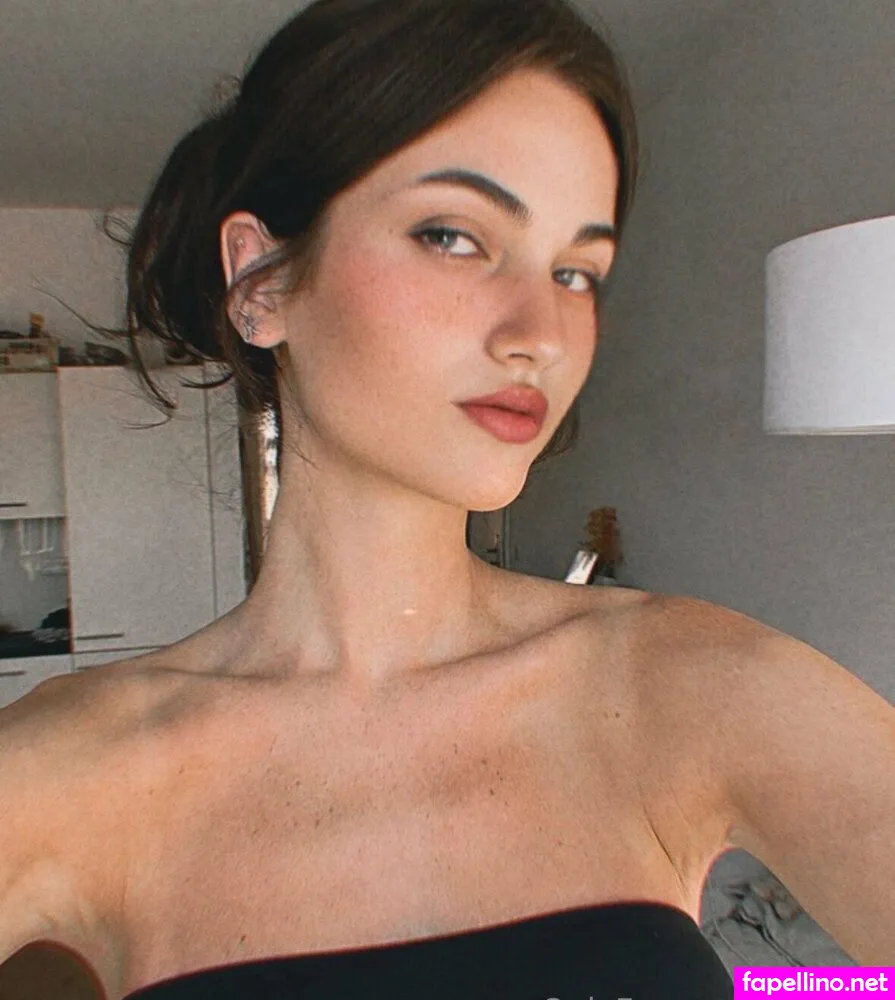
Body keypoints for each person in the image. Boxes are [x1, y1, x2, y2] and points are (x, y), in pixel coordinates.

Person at [2, 0, 893, 997]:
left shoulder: (686, 683)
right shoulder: (75, 767)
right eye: (453, 236)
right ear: (261, 279)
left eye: (576, 271)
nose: (540, 333)